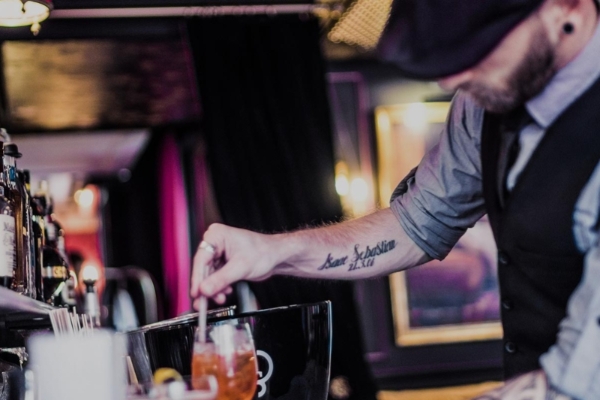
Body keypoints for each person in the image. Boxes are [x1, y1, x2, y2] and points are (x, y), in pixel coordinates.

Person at [191, 0, 600, 398]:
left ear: (567, 8)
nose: (449, 77)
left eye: (476, 45)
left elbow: (577, 381)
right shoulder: (482, 99)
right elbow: (418, 221)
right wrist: (275, 251)